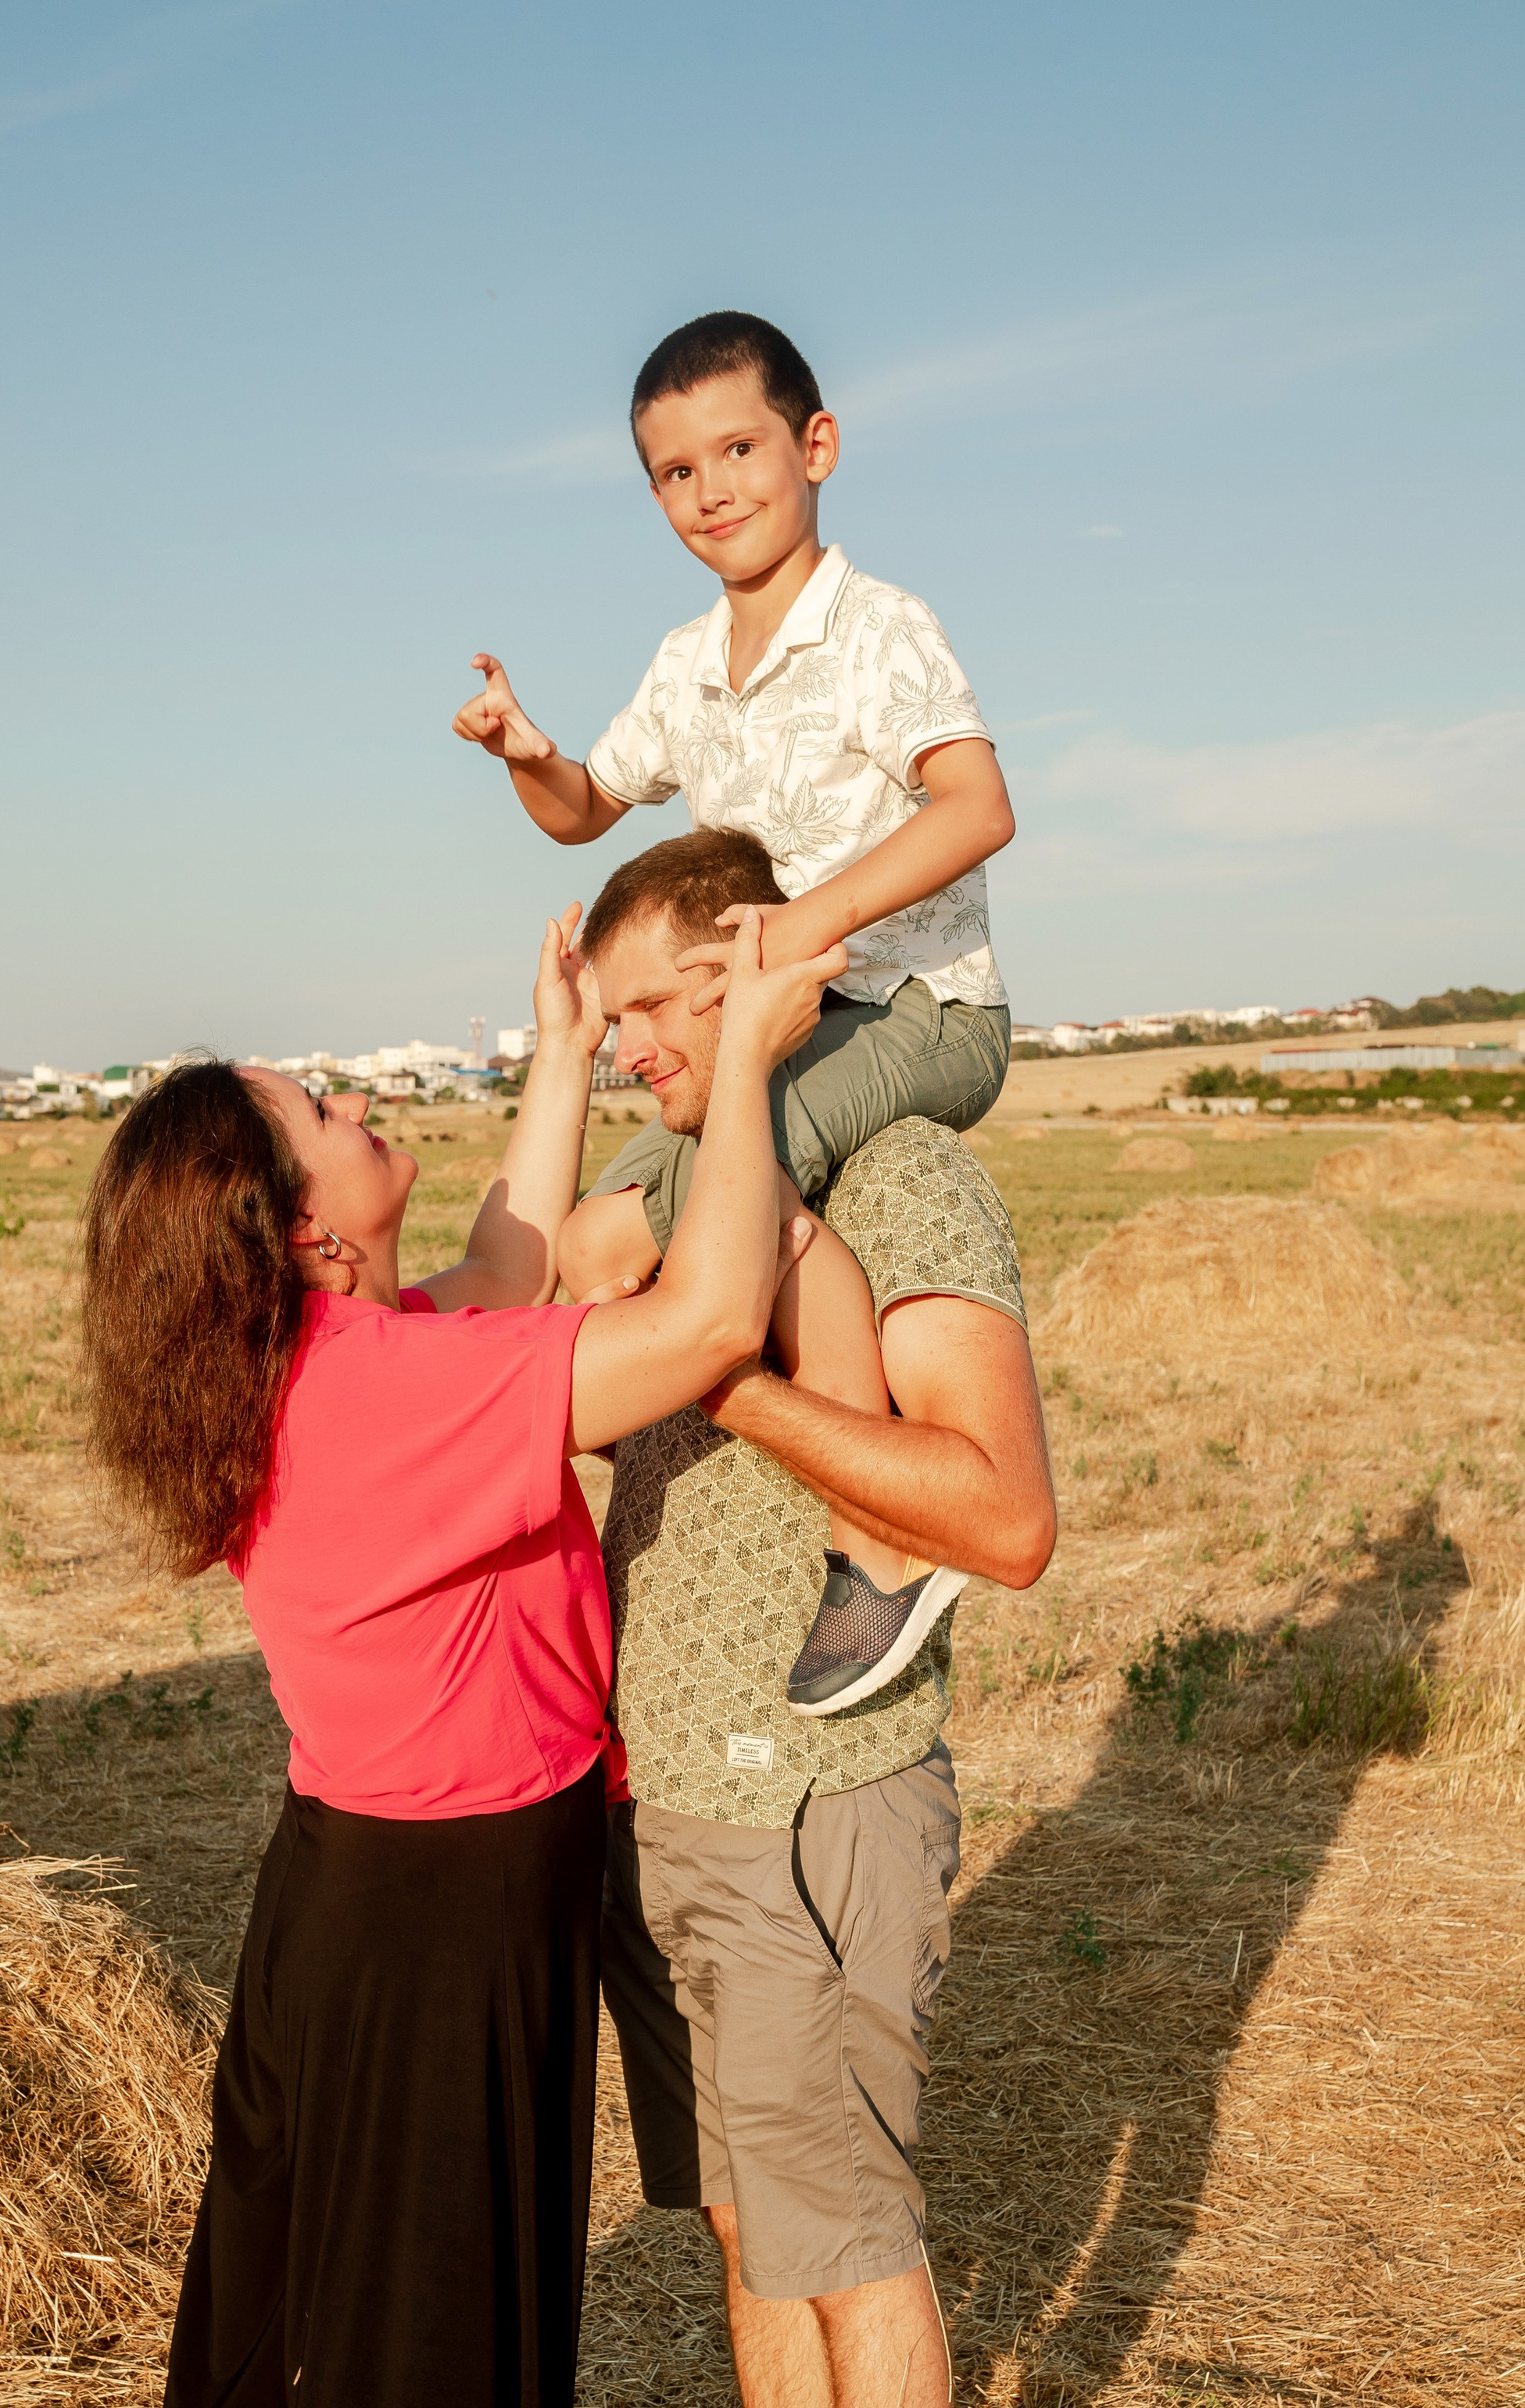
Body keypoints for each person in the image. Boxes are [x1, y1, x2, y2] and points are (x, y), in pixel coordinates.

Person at [78, 897, 842, 2408]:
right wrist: (740, 1061)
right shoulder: (375, 1394)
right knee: (432, 2329)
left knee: (310, 2292)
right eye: (317, 1106)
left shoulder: (333, 1360)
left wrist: (560, 1047)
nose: (349, 1097)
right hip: (439, 1910)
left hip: (351, 1886)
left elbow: (508, 1265)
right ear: (297, 1223)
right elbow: (698, 1327)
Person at [565, 830, 1058, 2408]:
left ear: (758, 969)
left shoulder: (903, 1179)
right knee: (760, 2227)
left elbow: (997, 1516)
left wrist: (747, 1388)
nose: (639, 1060)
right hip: (677, 1805)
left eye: (662, 1013)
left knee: (847, 2237)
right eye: (613, 1030)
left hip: (812, 1795)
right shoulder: (690, 1181)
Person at [453, 306, 1018, 1714]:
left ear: (814, 445)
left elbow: (979, 806)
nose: (710, 489)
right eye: (674, 472)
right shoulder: (685, 664)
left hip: (910, 1006)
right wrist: (527, 753)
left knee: (740, 1189)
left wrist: (807, 929)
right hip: (784, 1026)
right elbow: (585, 811)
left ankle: (879, 1536)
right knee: (597, 1237)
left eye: (739, 449)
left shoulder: (880, 632)